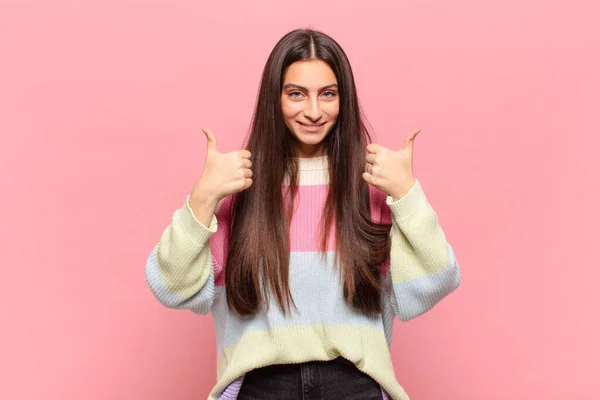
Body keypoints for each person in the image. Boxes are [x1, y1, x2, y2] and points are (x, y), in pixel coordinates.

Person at [145, 28, 461, 400]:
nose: (313, 111)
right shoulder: (240, 187)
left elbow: (436, 282)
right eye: (296, 94)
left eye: (327, 94)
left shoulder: (372, 185)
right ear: (274, 99)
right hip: (262, 387)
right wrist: (203, 197)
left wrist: (407, 193)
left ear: (344, 100)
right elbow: (170, 287)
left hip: (354, 384)